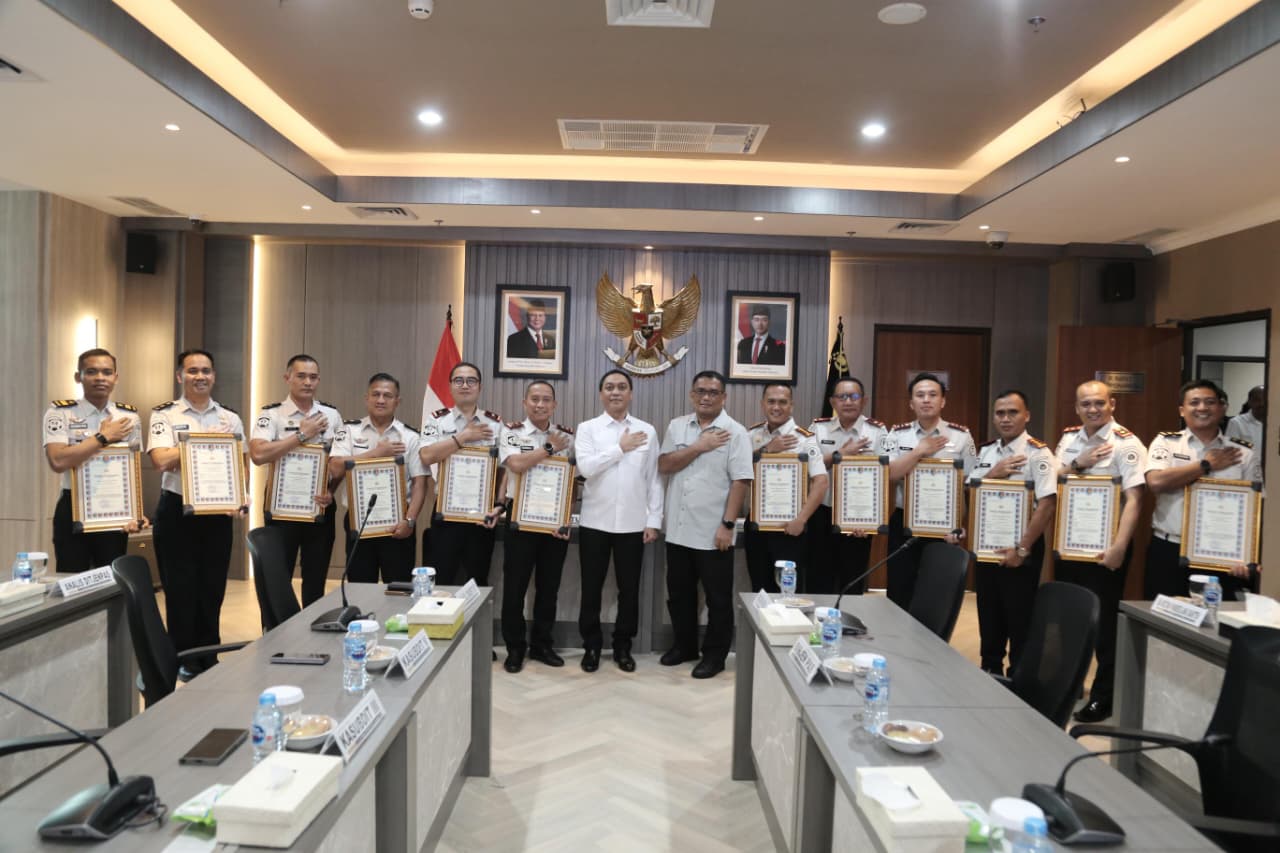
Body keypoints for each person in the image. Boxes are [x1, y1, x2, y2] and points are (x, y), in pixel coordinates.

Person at [1054, 379, 1148, 723]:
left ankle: (1104, 696)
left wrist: (1120, 547)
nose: (1092, 409)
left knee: (1105, 624)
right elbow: (1053, 479)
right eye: (1085, 404)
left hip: (1106, 548)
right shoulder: (1069, 440)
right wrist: (1077, 463)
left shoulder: (1127, 444)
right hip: (1070, 544)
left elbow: (1135, 499)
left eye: (1099, 403)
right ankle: (1069, 685)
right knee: (1070, 616)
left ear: (1112, 405)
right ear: (1077, 408)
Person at [148, 349, 245, 675]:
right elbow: (161, 460)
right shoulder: (164, 415)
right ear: (180, 376)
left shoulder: (230, 418)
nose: (200, 376)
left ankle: (209, 656)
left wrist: (240, 497)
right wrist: (201, 440)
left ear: (214, 376)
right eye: (192, 371)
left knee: (213, 588)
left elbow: (241, 463)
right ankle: (182, 658)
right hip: (177, 512)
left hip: (217, 513)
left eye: (206, 370)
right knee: (180, 590)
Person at [658, 370, 753, 679]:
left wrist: (728, 524)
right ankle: (684, 646)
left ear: (723, 397)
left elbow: (741, 481)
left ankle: (715, 655)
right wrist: (698, 446)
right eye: (701, 391)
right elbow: (665, 464)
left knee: (718, 599)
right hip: (678, 528)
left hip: (714, 532)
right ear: (692, 395)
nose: (706, 397)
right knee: (679, 594)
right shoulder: (677, 426)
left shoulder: (735, 432)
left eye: (713, 392)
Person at [574, 370, 662, 673]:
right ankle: (591, 646)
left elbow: (654, 479)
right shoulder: (588, 429)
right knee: (591, 589)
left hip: (633, 524)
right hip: (594, 523)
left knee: (629, 590)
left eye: (622, 387)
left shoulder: (647, 431)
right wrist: (619, 449)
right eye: (609, 387)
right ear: (601, 394)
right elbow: (586, 468)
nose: (615, 392)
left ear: (630, 394)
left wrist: (654, 519)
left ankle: (623, 646)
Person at [1145, 379, 1261, 601]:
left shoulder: (1242, 453)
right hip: (1169, 549)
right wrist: (1205, 465)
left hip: (1223, 554)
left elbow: (1254, 508)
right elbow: (1156, 482)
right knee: (1161, 616)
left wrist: (1247, 556)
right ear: (1182, 410)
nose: (1202, 408)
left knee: (1217, 618)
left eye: (1210, 402)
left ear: (1222, 408)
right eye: (1194, 402)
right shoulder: (1167, 443)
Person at [970, 390, 1059, 676]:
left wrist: (1022, 549)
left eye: (1013, 412)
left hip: (1022, 547)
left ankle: (1019, 680)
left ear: (1027, 415)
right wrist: (992, 474)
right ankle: (990, 671)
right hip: (987, 545)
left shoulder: (1039, 453)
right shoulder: (987, 452)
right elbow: (970, 493)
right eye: (1000, 413)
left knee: (1020, 619)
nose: (1006, 418)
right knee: (989, 616)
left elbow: (1047, 503)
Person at [249, 355, 342, 607]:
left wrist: (331, 490)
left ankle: (311, 630)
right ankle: (276, 630)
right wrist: (302, 434)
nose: (307, 382)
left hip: (320, 506)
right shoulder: (272, 414)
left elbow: (339, 461)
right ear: (287, 378)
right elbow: (258, 455)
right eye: (301, 376)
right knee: (277, 579)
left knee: (315, 582)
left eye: (313, 377)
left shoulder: (332, 415)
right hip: (282, 509)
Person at [42, 348, 146, 573]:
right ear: (78, 377)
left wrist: (135, 512)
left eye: (107, 372)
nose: (100, 378)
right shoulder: (60, 413)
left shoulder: (129, 417)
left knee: (111, 580)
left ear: (115, 377)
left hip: (115, 508)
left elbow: (133, 469)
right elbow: (58, 461)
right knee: (72, 580)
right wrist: (102, 437)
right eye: (91, 372)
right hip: (73, 506)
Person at [497, 381, 574, 673]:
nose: (540, 404)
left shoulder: (567, 436)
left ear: (554, 405)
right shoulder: (512, 432)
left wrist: (566, 518)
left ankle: (542, 645)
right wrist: (548, 448)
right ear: (524, 402)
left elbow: (573, 481)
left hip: (554, 522)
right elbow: (516, 465)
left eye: (546, 400)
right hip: (520, 518)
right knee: (514, 588)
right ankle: (515, 648)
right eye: (535, 399)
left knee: (548, 588)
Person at [885, 372, 977, 609]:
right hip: (904, 523)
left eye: (933, 395)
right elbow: (890, 474)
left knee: (937, 597)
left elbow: (969, 486)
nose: (926, 400)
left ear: (943, 401)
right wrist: (918, 451)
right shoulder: (898, 434)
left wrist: (960, 525)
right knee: (900, 593)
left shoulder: (961, 436)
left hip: (944, 526)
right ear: (911, 403)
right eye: (920, 395)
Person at [328, 373, 428, 583]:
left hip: (398, 524)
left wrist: (410, 521)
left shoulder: (410, 436)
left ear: (397, 401)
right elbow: (335, 468)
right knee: (360, 587)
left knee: (399, 589)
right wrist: (376, 453)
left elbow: (420, 483)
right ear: (367, 398)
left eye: (387, 395)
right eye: (376, 394)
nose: (381, 400)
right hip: (358, 521)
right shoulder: (349, 431)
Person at [418, 362, 505, 585]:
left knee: (478, 581)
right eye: (459, 380)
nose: (465, 385)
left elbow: (504, 469)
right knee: (441, 579)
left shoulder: (495, 423)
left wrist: (499, 504)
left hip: (482, 515)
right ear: (450, 386)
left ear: (480, 387)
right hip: (446, 513)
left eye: (471, 381)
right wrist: (463, 437)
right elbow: (426, 456)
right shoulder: (437, 420)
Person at [807, 376, 889, 594]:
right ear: (832, 402)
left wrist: (870, 520)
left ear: (864, 400)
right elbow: (807, 467)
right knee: (818, 579)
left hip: (858, 517)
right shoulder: (818, 429)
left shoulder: (877, 431)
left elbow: (885, 475)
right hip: (822, 512)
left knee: (852, 581)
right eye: (842, 397)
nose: (848, 402)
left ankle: (849, 618)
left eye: (854, 396)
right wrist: (840, 454)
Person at [745, 384, 828, 592]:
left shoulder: (805, 438)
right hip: (757, 525)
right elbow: (738, 471)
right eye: (771, 401)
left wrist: (801, 519)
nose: (776, 407)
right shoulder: (751, 435)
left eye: (782, 402)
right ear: (762, 404)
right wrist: (766, 450)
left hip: (790, 528)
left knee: (788, 593)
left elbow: (821, 481)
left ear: (791, 405)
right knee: (759, 590)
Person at [1226, 384, 1265, 453]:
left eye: (1265, 399)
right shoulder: (1236, 423)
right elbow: (1232, 451)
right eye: (1257, 400)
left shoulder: (1276, 422)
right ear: (1249, 402)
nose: (1262, 403)